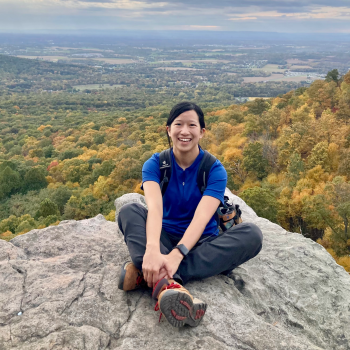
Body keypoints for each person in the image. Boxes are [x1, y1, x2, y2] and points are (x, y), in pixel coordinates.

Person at [117, 101, 263, 327]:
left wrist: (176, 256)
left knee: (252, 235)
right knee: (129, 210)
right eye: (178, 124)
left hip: (201, 244)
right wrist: (154, 250)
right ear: (168, 129)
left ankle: (149, 276)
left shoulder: (214, 169)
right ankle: (167, 285)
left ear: (202, 132)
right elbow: (154, 208)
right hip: (164, 236)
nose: (185, 131)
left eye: (192, 125)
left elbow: (202, 217)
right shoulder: (155, 165)